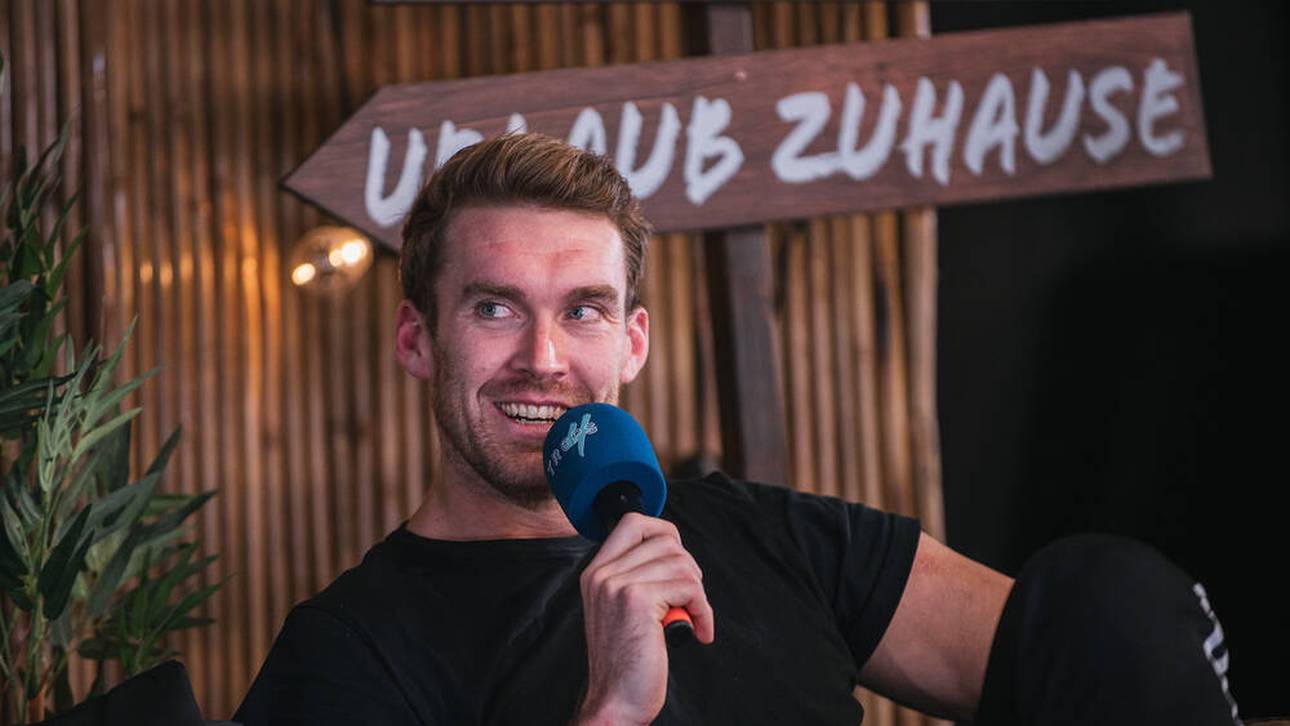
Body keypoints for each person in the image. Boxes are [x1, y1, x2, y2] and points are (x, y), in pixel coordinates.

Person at [235, 133, 1241, 725]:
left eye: (582, 310)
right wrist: (613, 710)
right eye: (494, 307)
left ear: (632, 342)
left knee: (1107, 593)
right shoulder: (348, 653)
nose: (544, 356)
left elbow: (1077, 646)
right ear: (417, 338)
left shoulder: (770, 535)